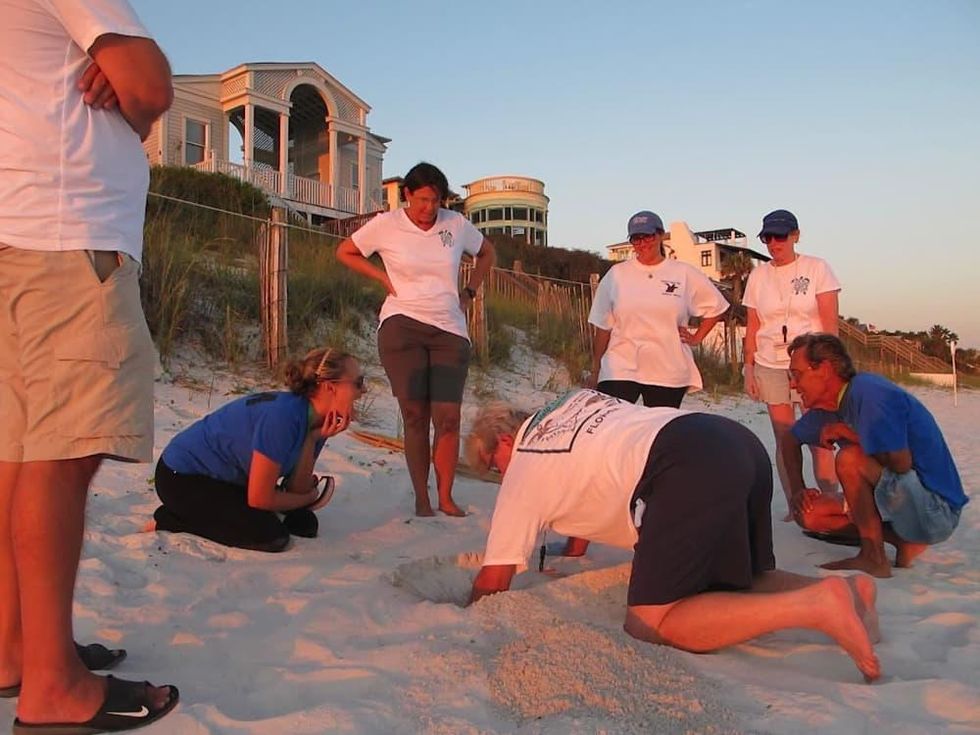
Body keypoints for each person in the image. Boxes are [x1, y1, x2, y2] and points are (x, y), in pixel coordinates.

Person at [0, 0, 178, 731]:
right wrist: (123, 83)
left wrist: (114, 72)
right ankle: (52, 685)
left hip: (17, 233)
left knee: (15, 454)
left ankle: (15, 650)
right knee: (62, 454)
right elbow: (152, 86)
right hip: (68, 235)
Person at [465, 390, 882, 683]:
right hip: (730, 438)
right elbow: (599, 467)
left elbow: (494, 578)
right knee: (738, 577)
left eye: (494, 467)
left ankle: (815, 605)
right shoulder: (573, 403)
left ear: (506, 440)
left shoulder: (526, 460)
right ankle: (848, 591)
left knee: (650, 622)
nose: (501, 477)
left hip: (683, 461)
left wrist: (465, 612)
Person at [561, 211, 729, 558]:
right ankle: (581, 535)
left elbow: (717, 306)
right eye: (636, 238)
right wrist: (596, 368)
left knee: (658, 449)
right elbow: (603, 326)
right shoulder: (617, 275)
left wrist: (697, 336)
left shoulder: (682, 274)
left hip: (667, 368)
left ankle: (653, 529)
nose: (642, 244)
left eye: (648, 236)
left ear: (660, 235)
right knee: (603, 445)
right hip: (621, 364)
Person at [336, 162, 496, 517]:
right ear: (407, 195)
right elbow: (345, 251)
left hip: (449, 330)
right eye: (422, 200)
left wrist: (469, 291)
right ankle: (422, 499)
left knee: (448, 417)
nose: (428, 209)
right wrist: (380, 277)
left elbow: (488, 253)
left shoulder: (455, 224)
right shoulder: (386, 224)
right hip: (401, 324)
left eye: (435, 201)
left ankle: (446, 496)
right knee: (414, 414)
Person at [783, 333, 967, 578]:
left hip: (936, 509)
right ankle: (902, 542)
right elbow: (789, 440)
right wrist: (798, 490)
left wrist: (847, 432)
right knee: (808, 515)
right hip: (900, 501)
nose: (792, 385)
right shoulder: (827, 408)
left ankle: (873, 557)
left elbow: (901, 463)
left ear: (824, 369)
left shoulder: (868, 392)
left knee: (849, 460)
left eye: (797, 374)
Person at [148, 348, 364, 552]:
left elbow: (296, 489)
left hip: (228, 480)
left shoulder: (315, 419)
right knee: (271, 537)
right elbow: (260, 498)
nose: (362, 391)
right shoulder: (284, 416)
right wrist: (308, 499)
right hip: (182, 477)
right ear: (330, 387)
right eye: (358, 383)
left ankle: (202, 513)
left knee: (303, 524)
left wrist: (313, 439)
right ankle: (171, 519)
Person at [743, 209, 841, 521]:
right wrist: (748, 368)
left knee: (819, 436)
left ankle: (829, 499)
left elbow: (830, 322)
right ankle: (794, 502)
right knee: (785, 436)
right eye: (767, 237)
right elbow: (753, 325)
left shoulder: (817, 268)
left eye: (780, 236)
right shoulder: (758, 276)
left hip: (811, 364)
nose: (774, 243)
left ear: (795, 235)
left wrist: (829, 368)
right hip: (770, 362)